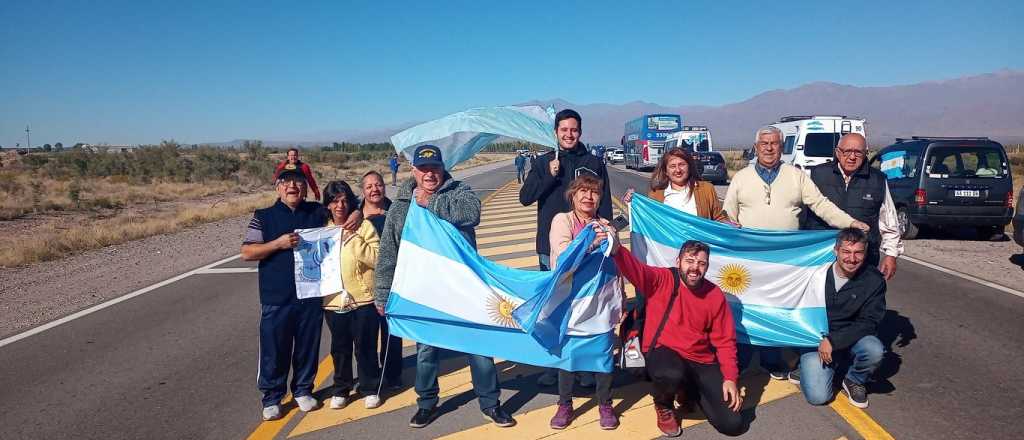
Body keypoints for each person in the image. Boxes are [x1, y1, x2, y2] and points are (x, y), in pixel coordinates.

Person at [374, 145, 517, 429]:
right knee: (427, 351)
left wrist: (432, 202)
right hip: (426, 291)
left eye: (435, 168)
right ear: (413, 171)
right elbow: (389, 251)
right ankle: (426, 404)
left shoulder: (459, 190)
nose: (430, 174)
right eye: (424, 169)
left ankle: (490, 403)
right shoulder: (401, 204)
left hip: (466, 288)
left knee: (479, 348)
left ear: (443, 169)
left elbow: (472, 213)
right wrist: (382, 293)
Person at [724, 126, 869, 378]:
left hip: (786, 262)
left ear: (782, 147)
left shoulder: (796, 176)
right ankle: (744, 357)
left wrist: (851, 223)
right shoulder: (741, 178)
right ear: (756, 147)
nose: (769, 148)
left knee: (778, 308)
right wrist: (726, 223)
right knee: (747, 307)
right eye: (764, 143)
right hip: (751, 261)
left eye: (775, 143)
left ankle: (771, 359)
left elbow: (820, 204)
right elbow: (727, 214)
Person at [604, 235, 745, 437]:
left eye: (701, 263)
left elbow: (725, 342)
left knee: (733, 424)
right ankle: (663, 405)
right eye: (689, 261)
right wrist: (617, 249)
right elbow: (636, 270)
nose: (695, 268)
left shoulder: (714, 295)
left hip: (701, 360)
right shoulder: (662, 280)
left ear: (707, 266)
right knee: (670, 373)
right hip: (664, 354)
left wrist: (730, 378)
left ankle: (689, 391)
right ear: (678, 262)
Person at [519, 109, 612, 388]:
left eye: (574, 130)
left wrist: (606, 234)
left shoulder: (593, 162)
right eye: (564, 130)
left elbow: (604, 201)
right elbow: (525, 197)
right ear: (556, 132)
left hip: (588, 248)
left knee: (584, 307)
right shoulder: (543, 162)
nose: (569, 135)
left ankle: (583, 365)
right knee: (554, 309)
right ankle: (554, 363)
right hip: (551, 249)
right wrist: (547, 175)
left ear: (580, 132)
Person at [241, 168, 328, 421]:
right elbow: (247, 252)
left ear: (305, 187)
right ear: (278, 187)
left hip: (310, 294)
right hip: (276, 296)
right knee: (274, 349)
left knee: (307, 346)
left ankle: (303, 389)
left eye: (299, 182)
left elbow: (345, 211)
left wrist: (355, 212)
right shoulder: (264, 217)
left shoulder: (316, 212)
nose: (293, 186)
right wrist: (276, 244)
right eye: (287, 182)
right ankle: (271, 397)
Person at [547, 175, 624, 430]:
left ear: (600, 197)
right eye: (583, 191)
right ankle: (565, 404)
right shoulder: (563, 220)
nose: (588, 197)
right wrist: (591, 244)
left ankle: (605, 404)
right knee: (569, 355)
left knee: (603, 356)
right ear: (573, 195)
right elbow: (563, 253)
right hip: (570, 300)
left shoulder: (605, 225)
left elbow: (616, 260)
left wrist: (620, 301)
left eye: (593, 192)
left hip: (600, 302)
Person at [788, 228, 886, 409]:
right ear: (835, 251)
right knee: (818, 397)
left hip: (849, 336)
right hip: (815, 338)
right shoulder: (816, 273)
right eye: (846, 252)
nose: (852, 258)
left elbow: (869, 322)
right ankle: (806, 364)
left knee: (874, 349)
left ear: (865, 253)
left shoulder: (873, 280)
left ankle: (854, 379)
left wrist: (834, 340)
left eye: (858, 253)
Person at [803, 133, 903, 279]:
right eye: (847, 151)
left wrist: (891, 255)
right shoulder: (817, 174)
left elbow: (889, 221)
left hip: (862, 260)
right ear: (837, 152)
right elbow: (800, 215)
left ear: (866, 154)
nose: (852, 157)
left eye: (858, 152)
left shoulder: (877, 180)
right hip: (821, 258)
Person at [320, 180, 383, 410]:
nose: (340, 205)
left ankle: (369, 387)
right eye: (335, 201)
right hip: (333, 301)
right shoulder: (321, 231)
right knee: (340, 348)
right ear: (327, 205)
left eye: (345, 200)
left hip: (363, 299)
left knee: (365, 346)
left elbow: (377, 259)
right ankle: (341, 388)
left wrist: (353, 238)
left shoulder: (364, 227)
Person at [359, 170, 403, 389]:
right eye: (369, 186)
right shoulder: (354, 216)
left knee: (391, 332)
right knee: (365, 335)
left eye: (378, 185)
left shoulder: (396, 212)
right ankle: (369, 378)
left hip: (393, 282)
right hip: (363, 286)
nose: (374, 190)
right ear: (362, 191)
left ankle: (393, 374)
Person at [622, 147, 729, 221]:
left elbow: (718, 218)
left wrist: (729, 225)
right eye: (672, 166)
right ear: (666, 171)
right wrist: (632, 202)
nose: (678, 170)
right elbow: (647, 220)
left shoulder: (706, 189)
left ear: (689, 166)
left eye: (682, 165)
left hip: (699, 250)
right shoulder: (656, 195)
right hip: (669, 251)